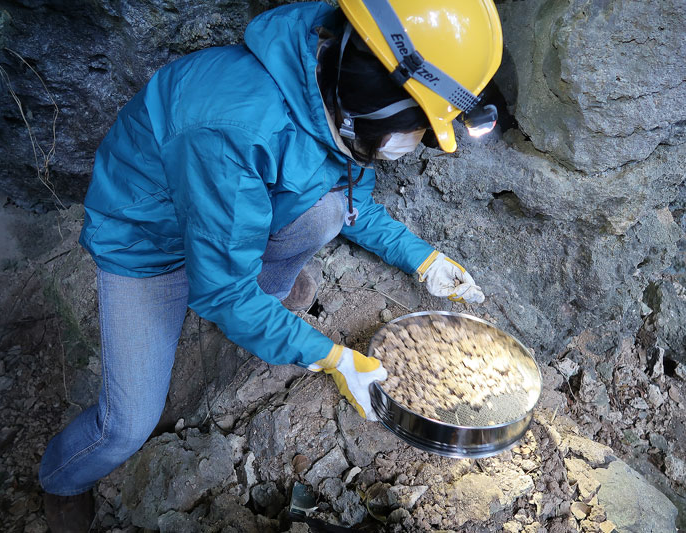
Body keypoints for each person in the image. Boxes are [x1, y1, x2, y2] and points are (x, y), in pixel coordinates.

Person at [39, 0, 503, 530]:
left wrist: (422, 258)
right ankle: (63, 480)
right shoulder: (234, 128)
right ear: (372, 99)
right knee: (126, 425)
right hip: (148, 245)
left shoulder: (333, 91)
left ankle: (268, 301)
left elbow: (353, 204)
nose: (419, 141)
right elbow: (223, 291)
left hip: (231, 218)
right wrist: (328, 356)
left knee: (326, 210)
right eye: (418, 124)